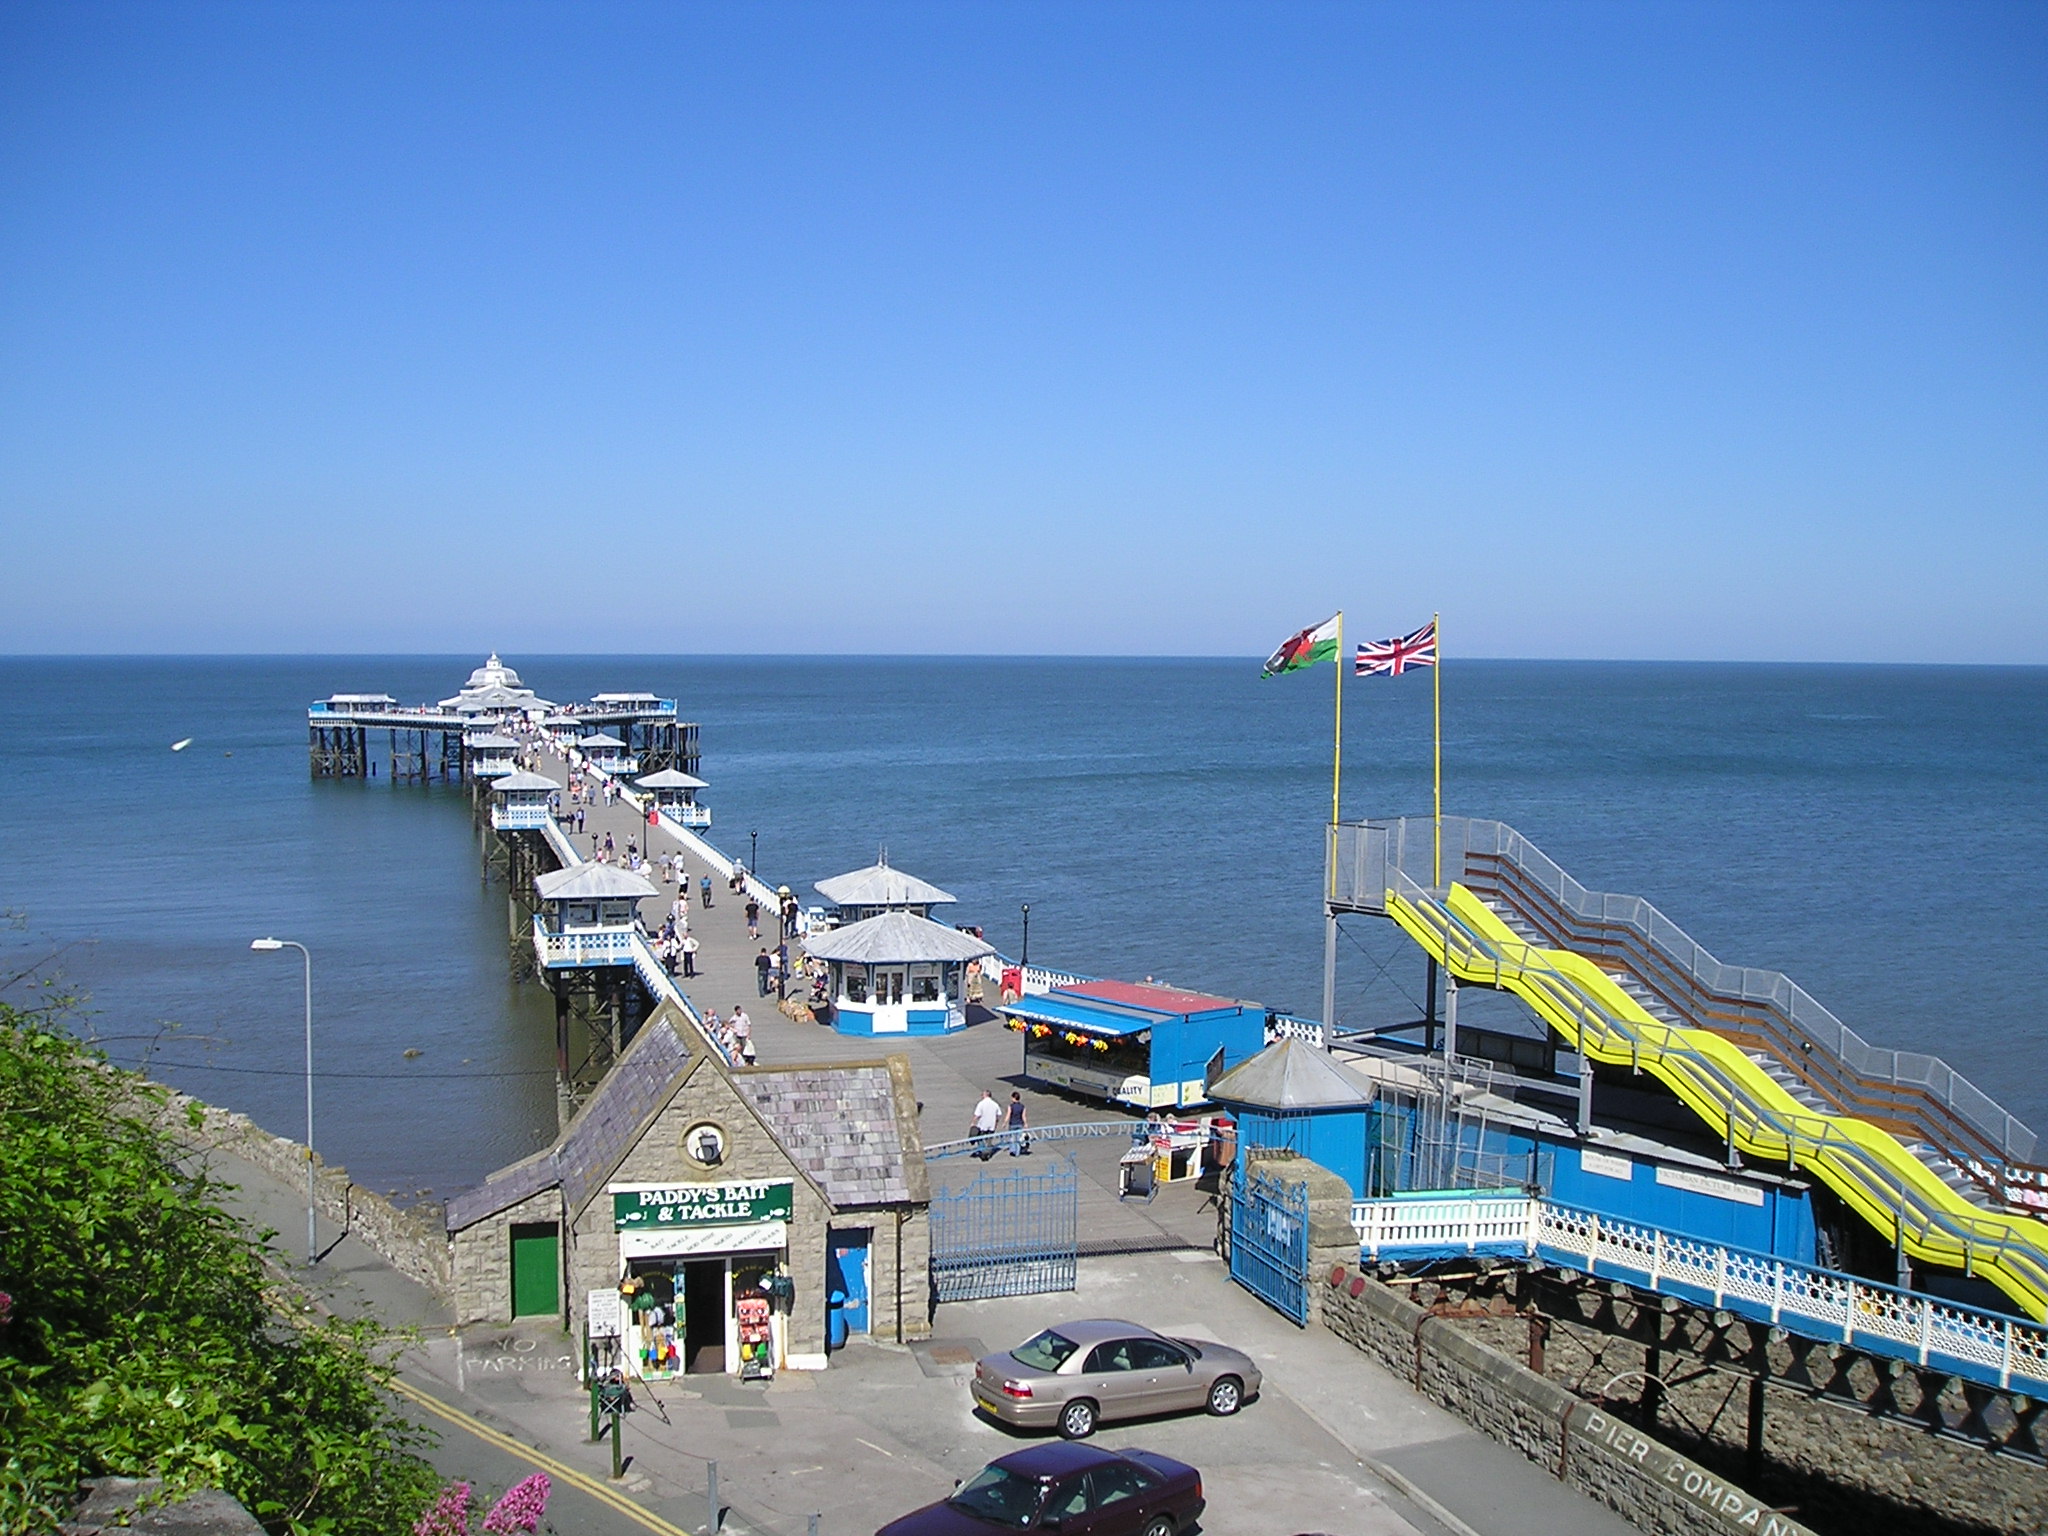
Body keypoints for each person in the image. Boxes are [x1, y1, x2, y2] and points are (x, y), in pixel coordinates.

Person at [970, 1089, 1002, 1160]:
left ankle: (983, 1152)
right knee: (989, 1140)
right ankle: (988, 1152)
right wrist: (996, 1122)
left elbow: (977, 1115)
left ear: (985, 1095)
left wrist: (973, 1123)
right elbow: (999, 1115)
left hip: (982, 1125)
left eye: (982, 1095)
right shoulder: (995, 1104)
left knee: (980, 1139)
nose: (981, 1096)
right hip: (992, 1125)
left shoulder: (981, 1104)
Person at [1006, 1091, 1030, 1156]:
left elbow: (1008, 1115)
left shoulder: (1011, 1106)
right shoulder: (1022, 1106)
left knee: (1012, 1138)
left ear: (1014, 1098)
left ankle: (1013, 1151)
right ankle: (1017, 1152)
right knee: (1018, 1138)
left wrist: (1005, 1122)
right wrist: (1025, 1123)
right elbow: (1023, 1116)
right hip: (1019, 1124)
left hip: (1012, 1124)